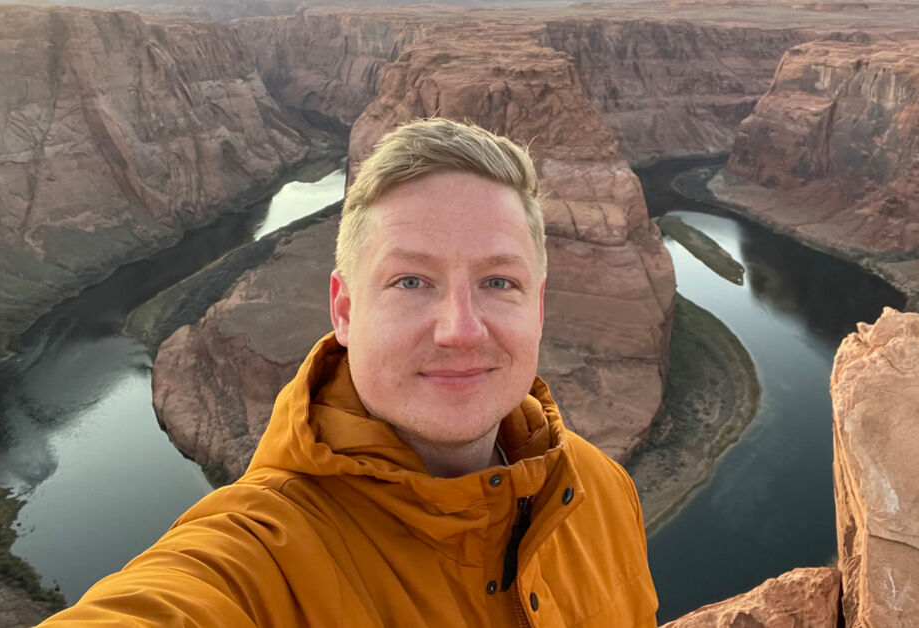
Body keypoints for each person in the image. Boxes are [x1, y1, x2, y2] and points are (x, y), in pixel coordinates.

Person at [40, 118, 659, 626]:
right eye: (411, 281)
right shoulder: (263, 560)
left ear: (539, 308)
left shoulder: (600, 489)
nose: (460, 329)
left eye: (499, 281)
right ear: (344, 308)